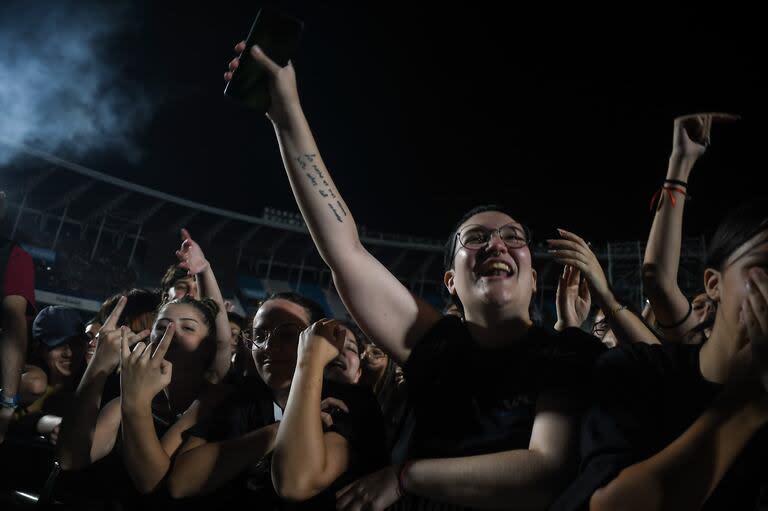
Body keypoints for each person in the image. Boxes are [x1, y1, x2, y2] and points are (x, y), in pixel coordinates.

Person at [225, 41, 604, 509]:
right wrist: (286, 114)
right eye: (476, 239)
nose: (497, 244)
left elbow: (545, 468)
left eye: (512, 236)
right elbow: (344, 249)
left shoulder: (567, 352)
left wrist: (406, 477)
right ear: (450, 281)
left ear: (532, 279)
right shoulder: (434, 343)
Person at [552, 197, 768, 510]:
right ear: (713, 284)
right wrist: (748, 404)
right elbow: (611, 504)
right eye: (763, 267)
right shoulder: (639, 374)